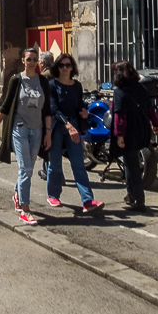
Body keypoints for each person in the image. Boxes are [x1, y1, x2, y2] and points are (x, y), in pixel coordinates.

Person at [0, 48, 51, 225]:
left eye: (35, 60)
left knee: (30, 167)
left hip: (38, 130)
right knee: (25, 169)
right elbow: (6, 106)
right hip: (20, 129)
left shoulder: (43, 82)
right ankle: (25, 210)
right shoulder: (17, 80)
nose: (32, 63)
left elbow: (47, 110)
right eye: (29, 59)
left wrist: (48, 132)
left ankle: (17, 194)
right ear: (23, 61)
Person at [47, 53, 104, 214]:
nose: (65, 68)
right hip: (58, 126)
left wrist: (83, 111)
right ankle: (53, 194)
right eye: (61, 65)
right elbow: (53, 109)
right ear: (57, 68)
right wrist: (68, 126)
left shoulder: (76, 86)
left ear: (72, 68)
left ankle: (87, 200)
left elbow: (79, 104)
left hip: (74, 124)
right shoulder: (52, 85)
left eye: (68, 65)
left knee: (78, 163)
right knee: (55, 162)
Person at [111, 60, 158, 212]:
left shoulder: (120, 92)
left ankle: (139, 201)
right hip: (142, 130)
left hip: (128, 133)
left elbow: (120, 115)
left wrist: (119, 135)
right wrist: (156, 124)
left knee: (132, 166)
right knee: (129, 163)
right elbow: (151, 109)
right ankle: (131, 195)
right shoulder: (142, 88)